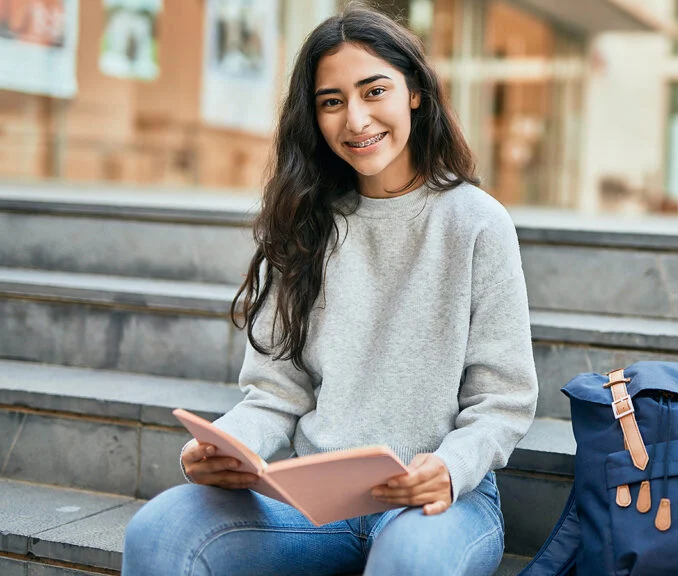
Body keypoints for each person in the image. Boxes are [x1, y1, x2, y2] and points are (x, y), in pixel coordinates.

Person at [122, 6, 537, 575]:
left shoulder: (476, 222)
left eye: (374, 91)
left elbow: (502, 401)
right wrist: (225, 447)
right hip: (313, 505)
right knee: (161, 530)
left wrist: (447, 468)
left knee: (410, 561)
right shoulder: (306, 224)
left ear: (414, 91)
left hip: (440, 501)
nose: (356, 119)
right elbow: (275, 394)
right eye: (332, 101)